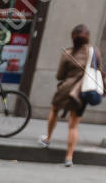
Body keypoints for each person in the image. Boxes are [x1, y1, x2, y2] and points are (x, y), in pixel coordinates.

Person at [39, 24, 96, 167]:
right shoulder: (93, 52)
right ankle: (69, 157)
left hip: (65, 90)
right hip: (82, 91)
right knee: (73, 125)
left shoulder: (68, 53)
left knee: (54, 110)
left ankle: (48, 138)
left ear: (72, 37)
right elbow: (98, 70)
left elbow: (60, 75)